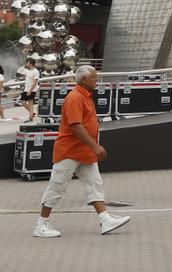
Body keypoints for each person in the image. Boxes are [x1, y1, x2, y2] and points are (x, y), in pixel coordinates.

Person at [33, 64, 131, 237]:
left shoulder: (85, 96)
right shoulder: (75, 98)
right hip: (70, 151)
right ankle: (41, 225)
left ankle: (105, 219)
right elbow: (76, 126)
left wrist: (91, 147)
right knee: (57, 186)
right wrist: (95, 146)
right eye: (94, 77)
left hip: (84, 152)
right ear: (84, 80)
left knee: (94, 184)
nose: (96, 80)